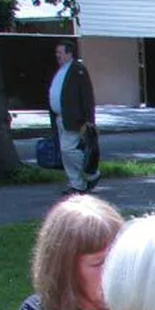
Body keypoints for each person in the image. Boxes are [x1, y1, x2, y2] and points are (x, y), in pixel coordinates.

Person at [48, 40, 99, 194]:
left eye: (60, 53)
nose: (57, 55)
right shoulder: (61, 70)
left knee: (68, 150)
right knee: (65, 153)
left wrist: (89, 121)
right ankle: (77, 184)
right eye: (56, 52)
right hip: (60, 118)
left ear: (69, 53)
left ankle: (92, 173)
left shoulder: (78, 70)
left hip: (74, 119)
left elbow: (87, 97)